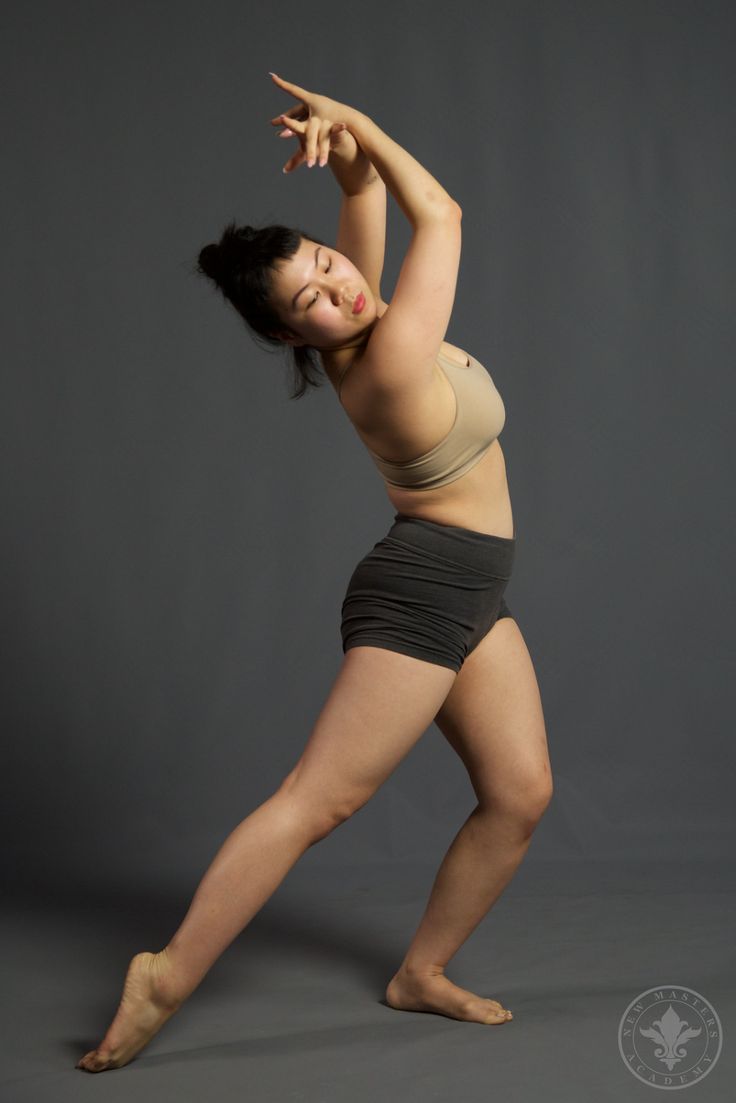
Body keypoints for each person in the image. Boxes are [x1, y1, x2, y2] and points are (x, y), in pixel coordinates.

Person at [76, 73, 553, 1073]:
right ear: (299, 337)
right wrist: (366, 121)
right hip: (425, 586)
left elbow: (369, 205)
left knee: (517, 793)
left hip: (473, 586)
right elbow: (443, 212)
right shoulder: (385, 360)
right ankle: (164, 973)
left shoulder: (364, 319)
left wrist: (338, 150)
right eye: (315, 300)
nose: (342, 289)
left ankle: (420, 971)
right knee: (317, 799)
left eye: (332, 268)